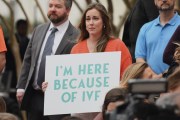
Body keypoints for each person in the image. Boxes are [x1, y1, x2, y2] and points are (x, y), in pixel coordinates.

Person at [16, 0, 79, 120]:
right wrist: (21, 87)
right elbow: (28, 60)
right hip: (34, 97)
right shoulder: (38, 30)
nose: (53, 9)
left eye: (58, 6)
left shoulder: (77, 35)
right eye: (50, 6)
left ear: (68, 10)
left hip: (60, 101)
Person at [70, 2, 132, 120]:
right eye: (88, 19)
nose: (91, 23)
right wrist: (51, 86)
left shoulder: (117, 45)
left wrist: (105, 109)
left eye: (95, 18)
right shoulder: (76, 48)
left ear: (104, 22)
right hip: (80, 111)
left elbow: (127, 78)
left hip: (110, 108)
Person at [135, 0, 180, 75]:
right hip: (151, 82)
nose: (164, 0)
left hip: (176, 81)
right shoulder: (145, 28)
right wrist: (154, 76)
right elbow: (139, 59)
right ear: (155, 1)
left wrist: (165, 75)